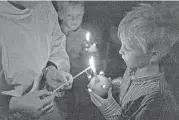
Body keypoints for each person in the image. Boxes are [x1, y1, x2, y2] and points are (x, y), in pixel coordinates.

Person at [88, 2, 179, 120]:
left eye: (127, 49)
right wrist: (115, 85)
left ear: (153, 55)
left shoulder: (158, 100)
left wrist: (110, 109)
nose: (120, 51)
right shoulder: (133, 68)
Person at [0, 1, 73, 120]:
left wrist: (51, 71)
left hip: (44, 105)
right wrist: (13, 104)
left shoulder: (45, 6)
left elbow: (57, 46)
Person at [53, 1, 105, 120]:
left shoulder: (84, 36)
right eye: (69, 15)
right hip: (60, 79)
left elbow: (93, 61)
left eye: (78, 15)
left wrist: (92, 52)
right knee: (63, 108)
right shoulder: (55, 33)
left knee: (81, 109)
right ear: (60, 15)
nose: (74, 19)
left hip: (79, 80)